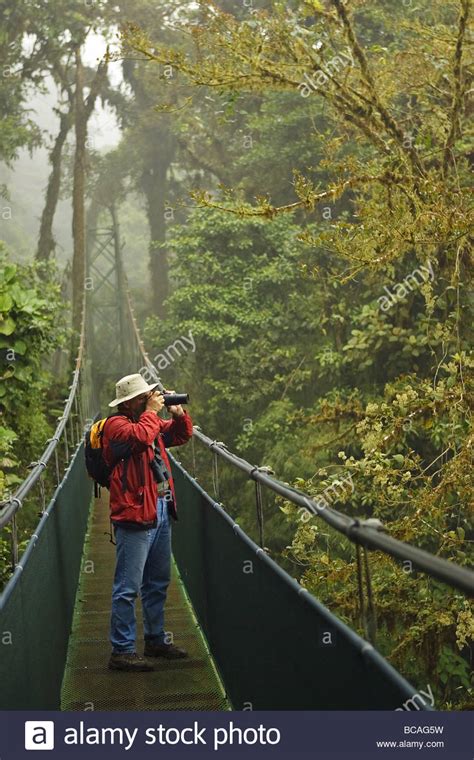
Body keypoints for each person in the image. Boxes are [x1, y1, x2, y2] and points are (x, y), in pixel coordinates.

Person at [103, 373, 193, 672]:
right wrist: (152, 412)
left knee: (157, 582)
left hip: (162, 508)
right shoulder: (118, 425)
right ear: (129, 403)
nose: (149, 399)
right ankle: (122, 651)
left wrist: (178, 415)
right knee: (127, 587)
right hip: (135, 514)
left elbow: (179, 436)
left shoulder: (147, 422)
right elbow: (141, 437)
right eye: (144, 397)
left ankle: (155, 640)